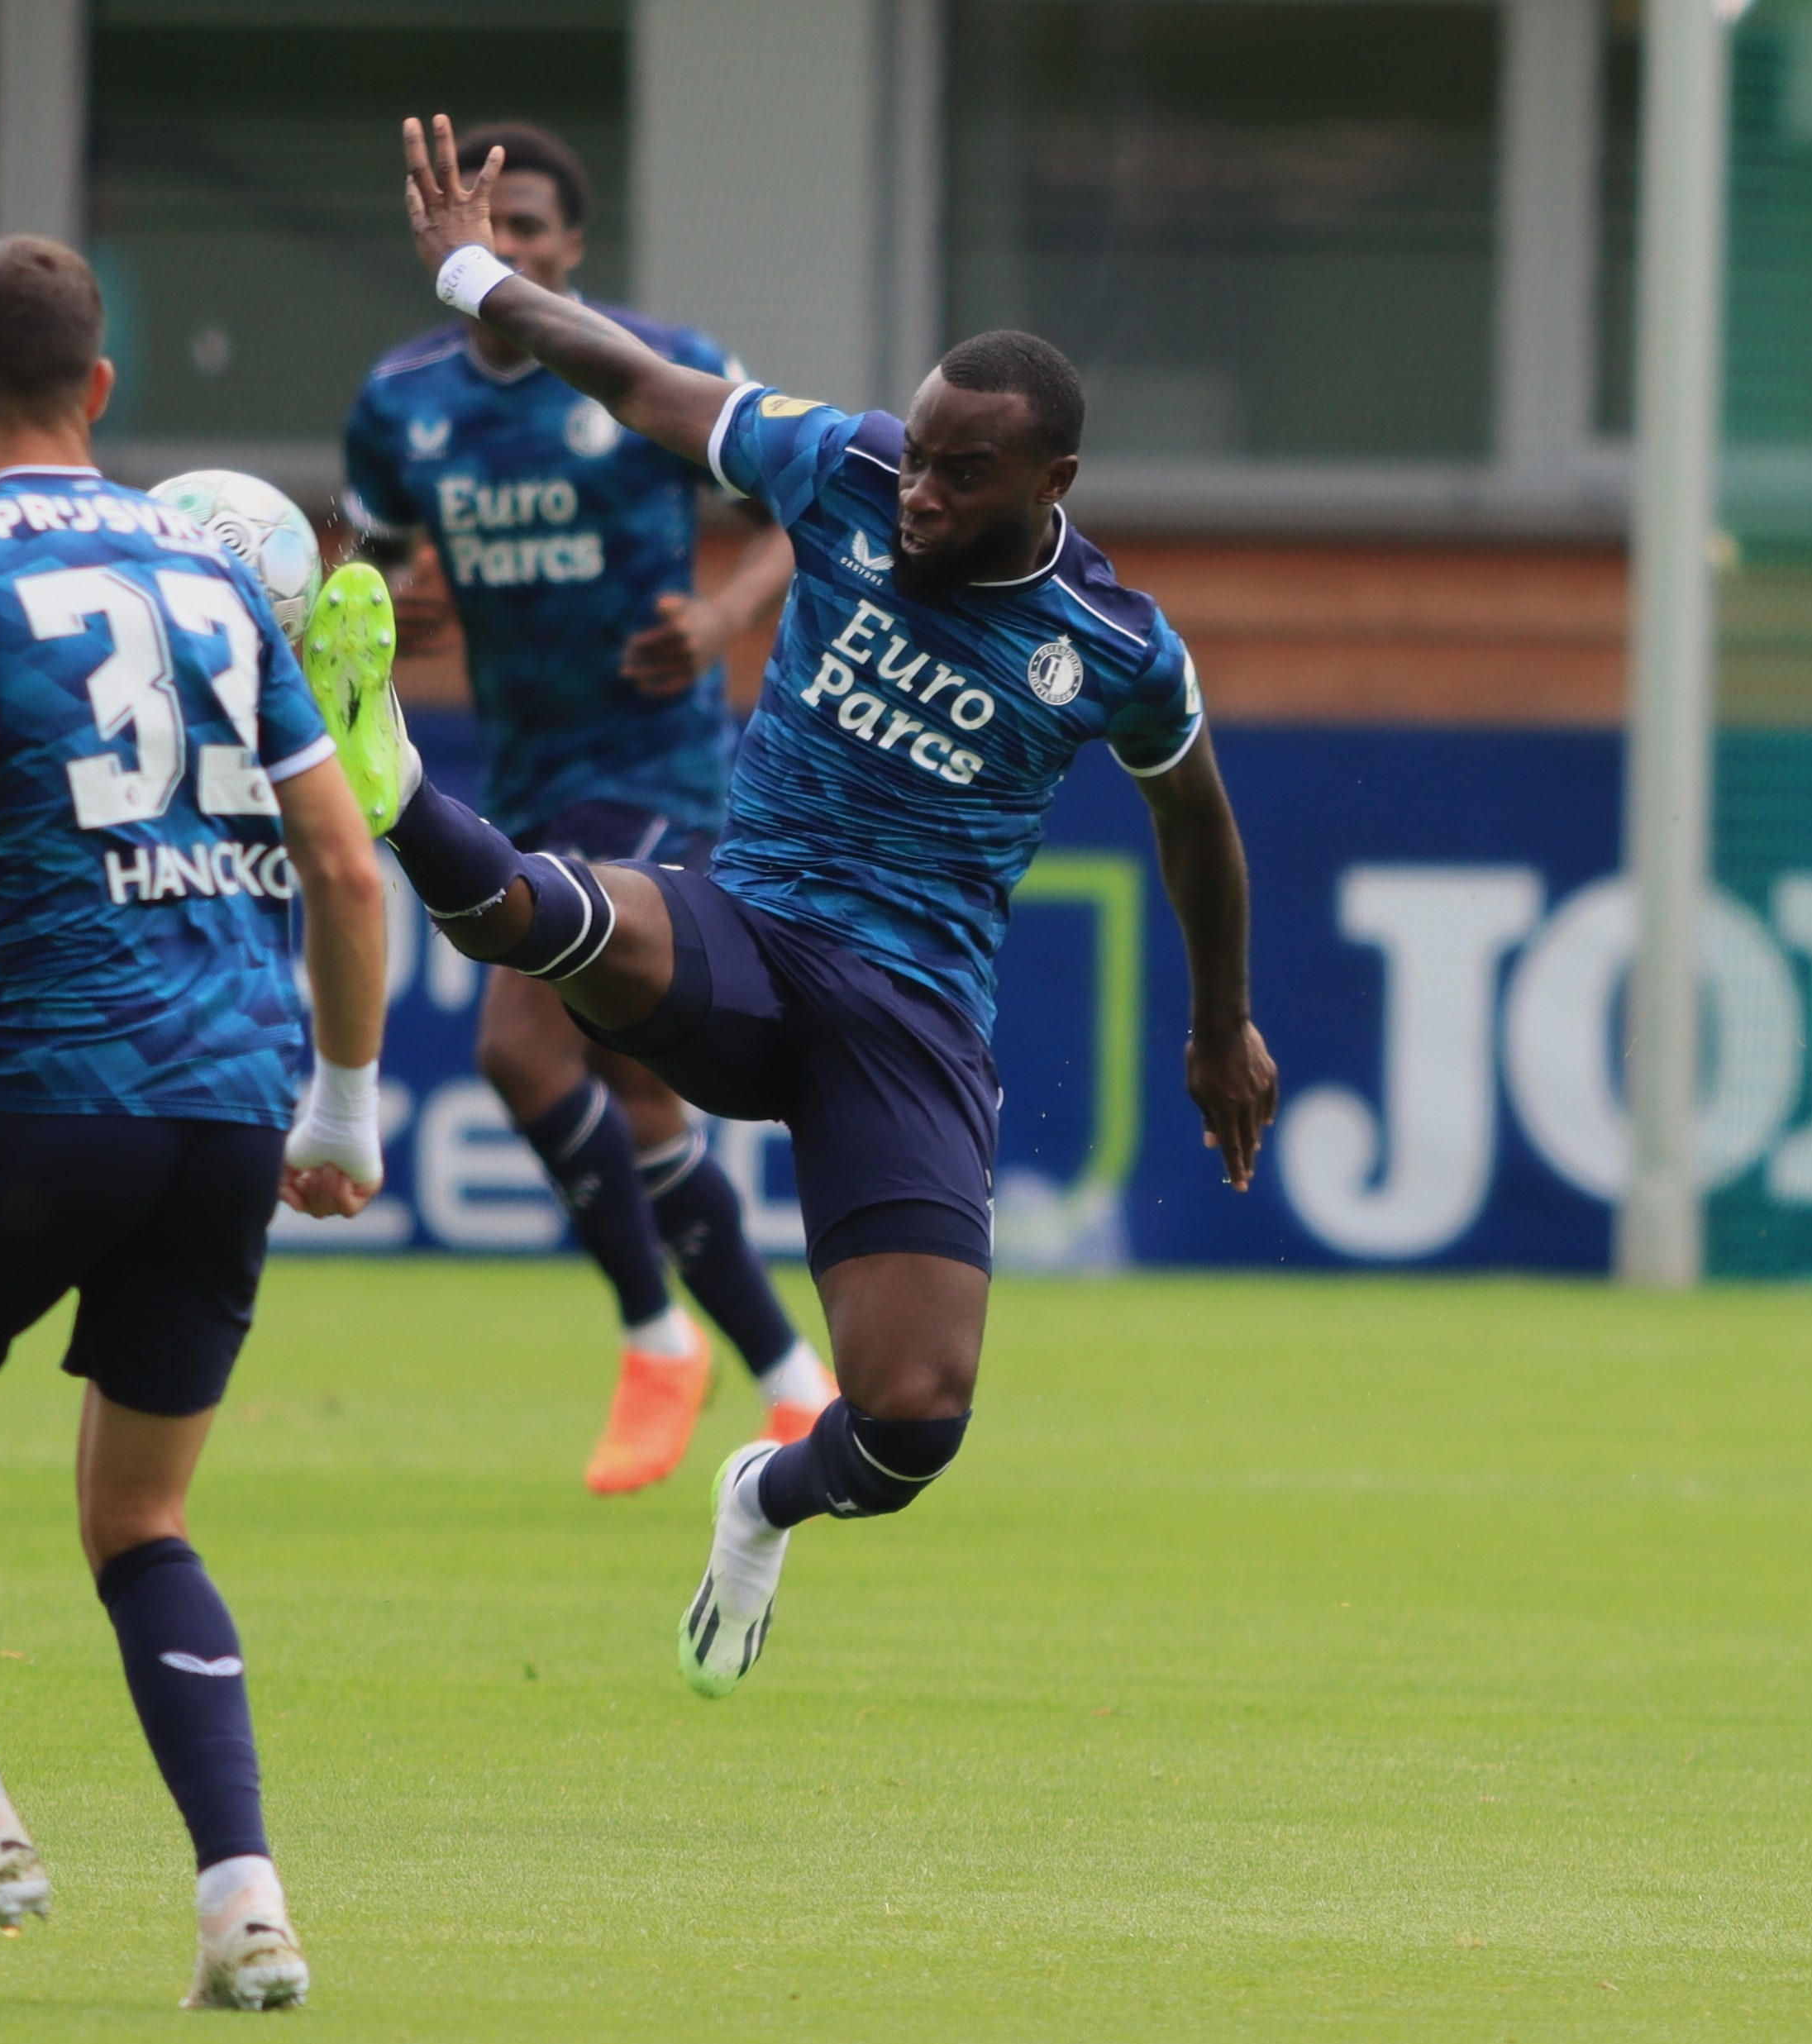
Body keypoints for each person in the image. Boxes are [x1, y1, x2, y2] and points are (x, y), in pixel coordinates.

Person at [313, 118, 1276, 1699]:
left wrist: (1220, 1020)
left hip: (906, 1021)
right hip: (745, 933)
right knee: (537, 930)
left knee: (910, 1421)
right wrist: (471, 270)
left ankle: (761, 1490)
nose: (921, 492)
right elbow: (630, 378)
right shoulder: (841, 467)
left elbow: (1201, 826)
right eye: (920, 453)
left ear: (1054, 482)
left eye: (965, 475)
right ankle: (388, 768)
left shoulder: (1113, 644)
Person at [0, 235, 389, 2009]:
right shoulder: (209, 573)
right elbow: (345, 864)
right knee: (141, 1518)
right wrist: (340, 1104)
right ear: (101, 391)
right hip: (235, 1101)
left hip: (56, 1083)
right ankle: (243, 1902)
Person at [341, 121, 828, 1494]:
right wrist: (395, 602)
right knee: (626, 1074)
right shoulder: (401, 401)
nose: (509, 248)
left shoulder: (647, 361)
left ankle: (654, 1336)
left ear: (571, 248)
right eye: (487, 227)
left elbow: (799, 507)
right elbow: (365, 580)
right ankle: (787, 1377)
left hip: (658, 759)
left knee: (517, 1041)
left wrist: (725, 612)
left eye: (534, 228)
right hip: (529, 766)